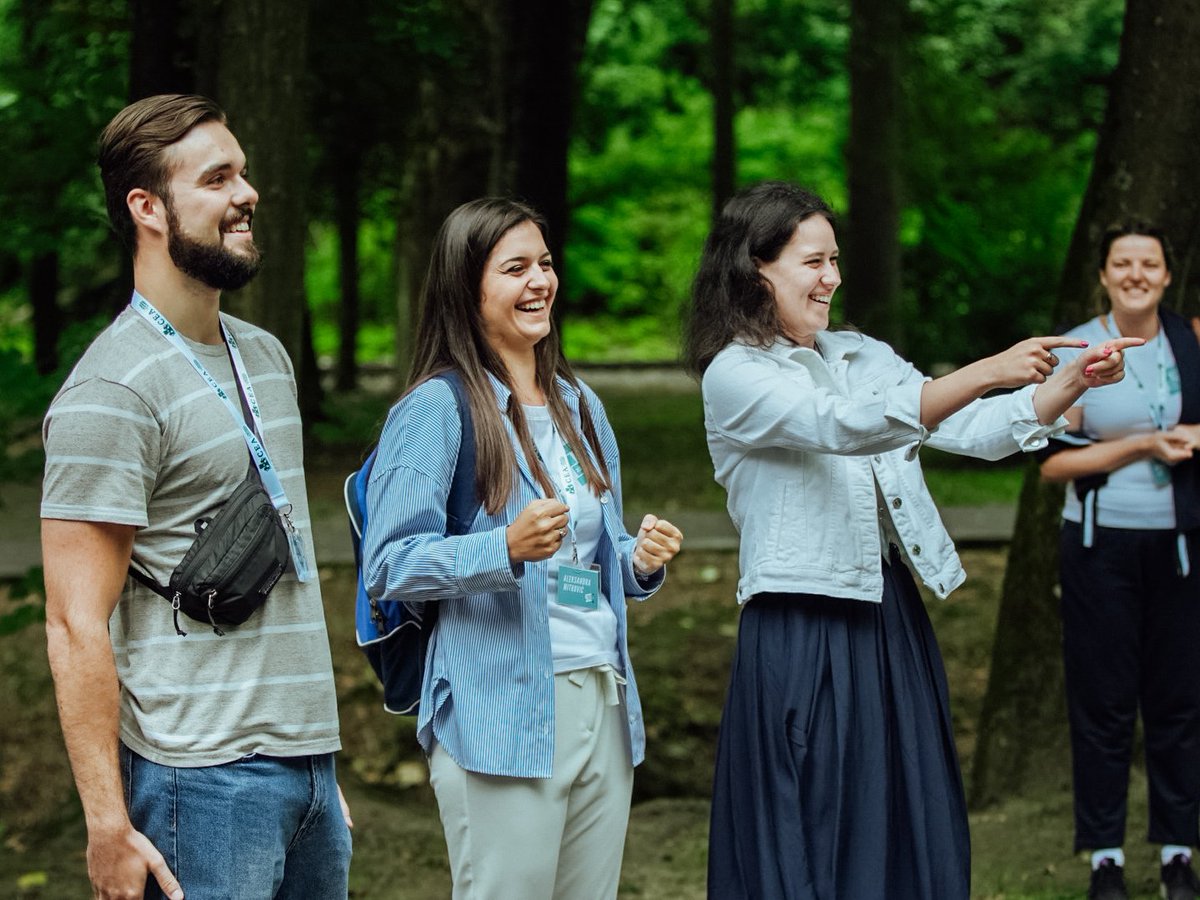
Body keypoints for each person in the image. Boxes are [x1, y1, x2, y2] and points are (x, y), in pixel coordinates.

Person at [681, 180, 1138, 900]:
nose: (832, 277)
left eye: (835, 259)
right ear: (754, 266)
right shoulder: (736, 375)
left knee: (902, 811)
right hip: (800, 619)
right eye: (813, 261)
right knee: (814, 810)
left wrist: (1067, 385)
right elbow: (844, 425)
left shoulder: (862, 355)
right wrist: (988, 368)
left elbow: (973, 431)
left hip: (887, 610)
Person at [41, 94, 351, 900]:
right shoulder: (109, 389)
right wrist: (108, 825)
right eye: (217, 178)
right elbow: (75, 622)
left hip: (307, 771)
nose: (246, 194)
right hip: (198, 783)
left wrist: (317, 772)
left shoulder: (268, 357)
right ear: (148, 207)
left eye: (243, 173)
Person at [361, 197, 682, 899]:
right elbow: (388, 566)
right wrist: (501, 547)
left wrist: (638, 562)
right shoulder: (434, 410)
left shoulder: (581, 405)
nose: (540, 281)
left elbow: (600, 552)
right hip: (498, 714)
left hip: (603, 697)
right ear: (467, 290)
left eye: (544, 263)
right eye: (515, 268)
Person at [1039, 224, 1200, 900]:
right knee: (1104, 704)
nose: (1137, 273)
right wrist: (1142, 447)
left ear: (1166, 275)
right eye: (1122, 263)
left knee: (1180, 703)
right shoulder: (1077, 348)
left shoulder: (1189, 340)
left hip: (1181, 548)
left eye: (1149, 263)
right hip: (1100, 548)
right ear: (1103, 275)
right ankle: (1104, 857)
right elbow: (1052, 465)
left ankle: (1177, 853)